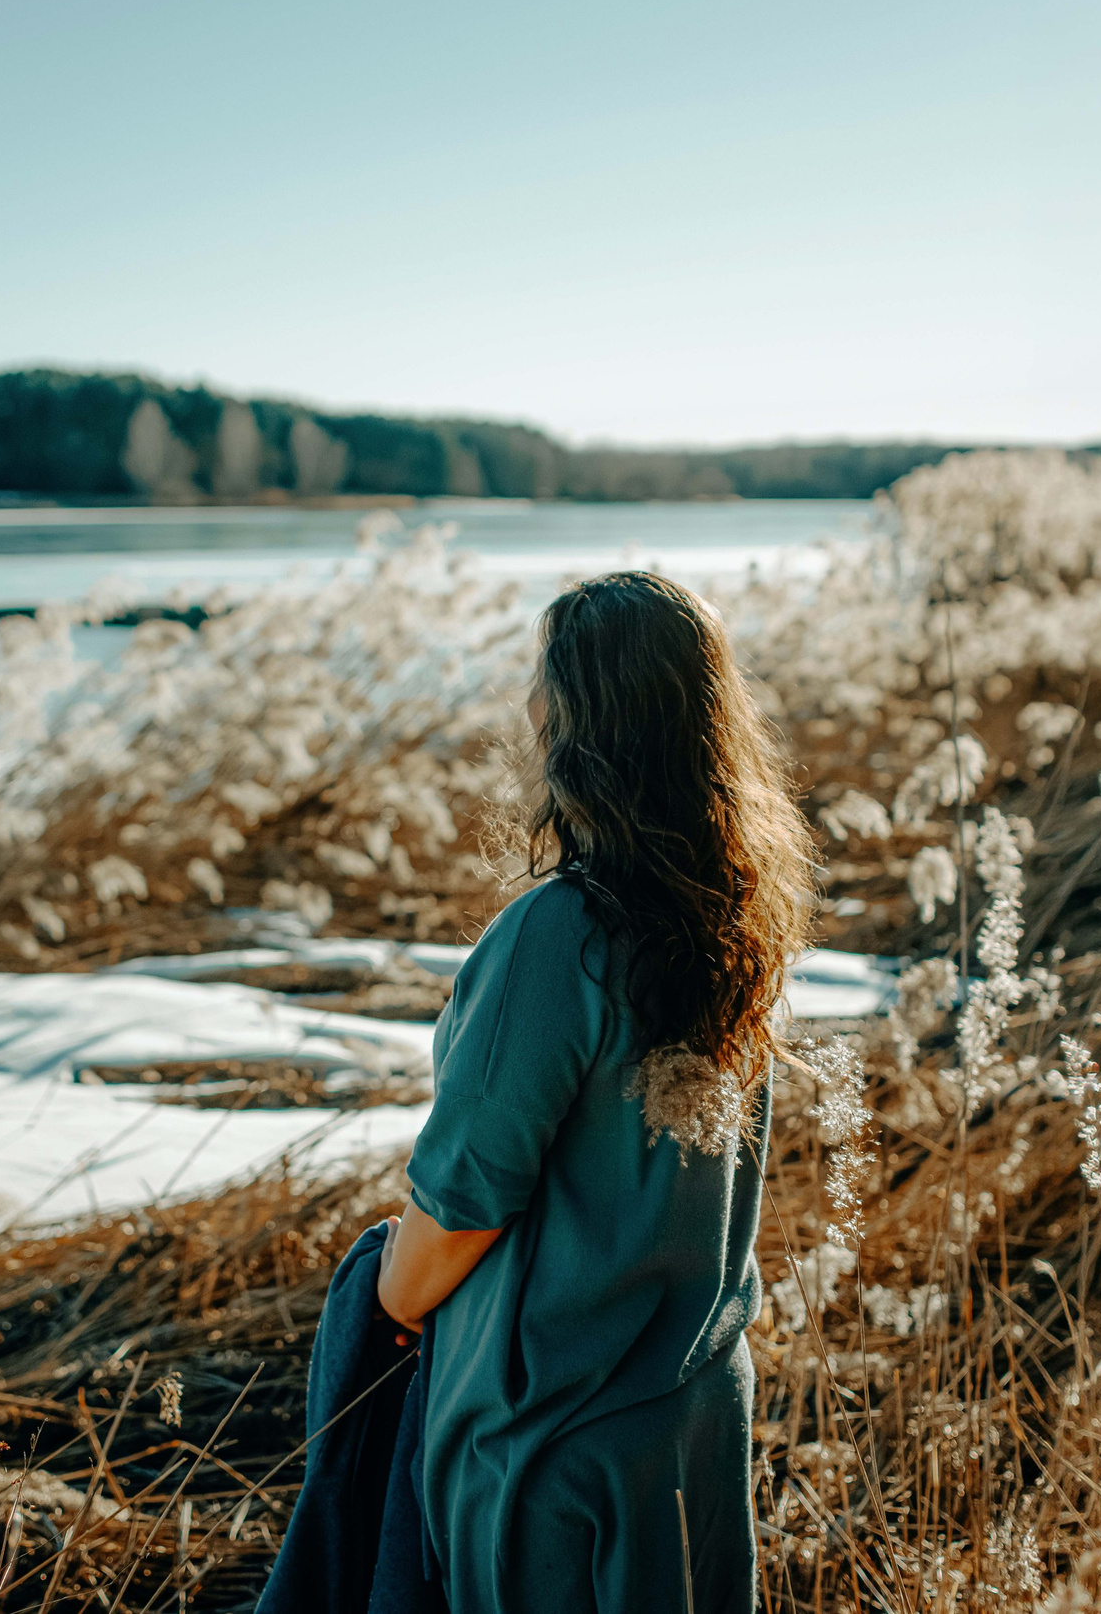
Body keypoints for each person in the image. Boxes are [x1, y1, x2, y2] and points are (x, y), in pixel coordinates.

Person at [375, 569, 814, 1613]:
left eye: (545, 680)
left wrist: (383, 1304)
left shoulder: (555, 938)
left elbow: (460, 1207)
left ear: (578, 722)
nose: (528, 704)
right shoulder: (739, 924)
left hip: (550, 1448)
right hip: (692, 1422)